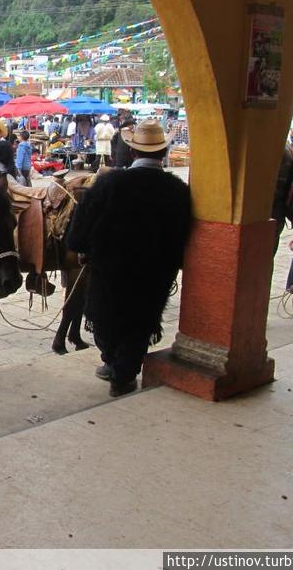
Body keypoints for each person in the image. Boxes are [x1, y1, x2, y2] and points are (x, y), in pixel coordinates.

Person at [67, 119, 192, 396]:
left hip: (109, 272)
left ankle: (114, 364)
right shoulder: (178, 192)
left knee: (105, 317)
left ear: (133, 152)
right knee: (140, 323)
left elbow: (78, 231)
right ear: (164, 153)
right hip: (154, 274)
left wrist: (84, 248)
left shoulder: (109, 183)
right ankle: (123, 373)